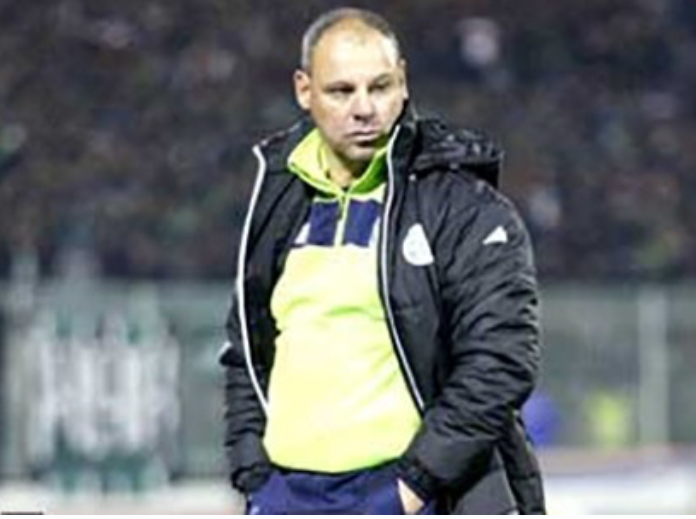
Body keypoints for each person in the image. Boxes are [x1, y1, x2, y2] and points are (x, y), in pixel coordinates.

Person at [221, 7, 544, 514]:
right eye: (341, 91)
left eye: (380, 87)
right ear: (304, 90)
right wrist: (255, 478)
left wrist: (414, 486)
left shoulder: (462, 205)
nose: (364, 108)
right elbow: (247, 347)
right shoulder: (277, 201)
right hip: (288, 497)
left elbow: (501, 357)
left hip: (410, 495)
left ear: (404, 83)